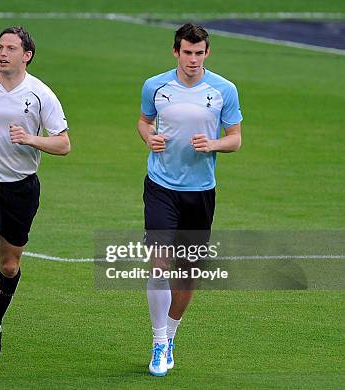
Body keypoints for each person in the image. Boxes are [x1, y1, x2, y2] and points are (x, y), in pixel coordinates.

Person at [0, 26, 70, 370]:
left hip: (21, 188)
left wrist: (32, 140)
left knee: (9, 265)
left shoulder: (40, 95)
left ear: (26, 55)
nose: (2, 53)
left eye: (11, 48)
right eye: (0, 47)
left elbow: (63, 144)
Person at [137, 23, 242, 376]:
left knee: (187, 277)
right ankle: (157, 342)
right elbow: (143, 121)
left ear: (207, 53)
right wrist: (148, 137)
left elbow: (236, 139)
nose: (193, 59)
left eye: (199, 53)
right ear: (175, 52)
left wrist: (213, 144)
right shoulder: (155, 86)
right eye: (187, 52)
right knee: (158, 265)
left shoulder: (224, 90)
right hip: (161, 187)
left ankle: (170, 335)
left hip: (200, 193)